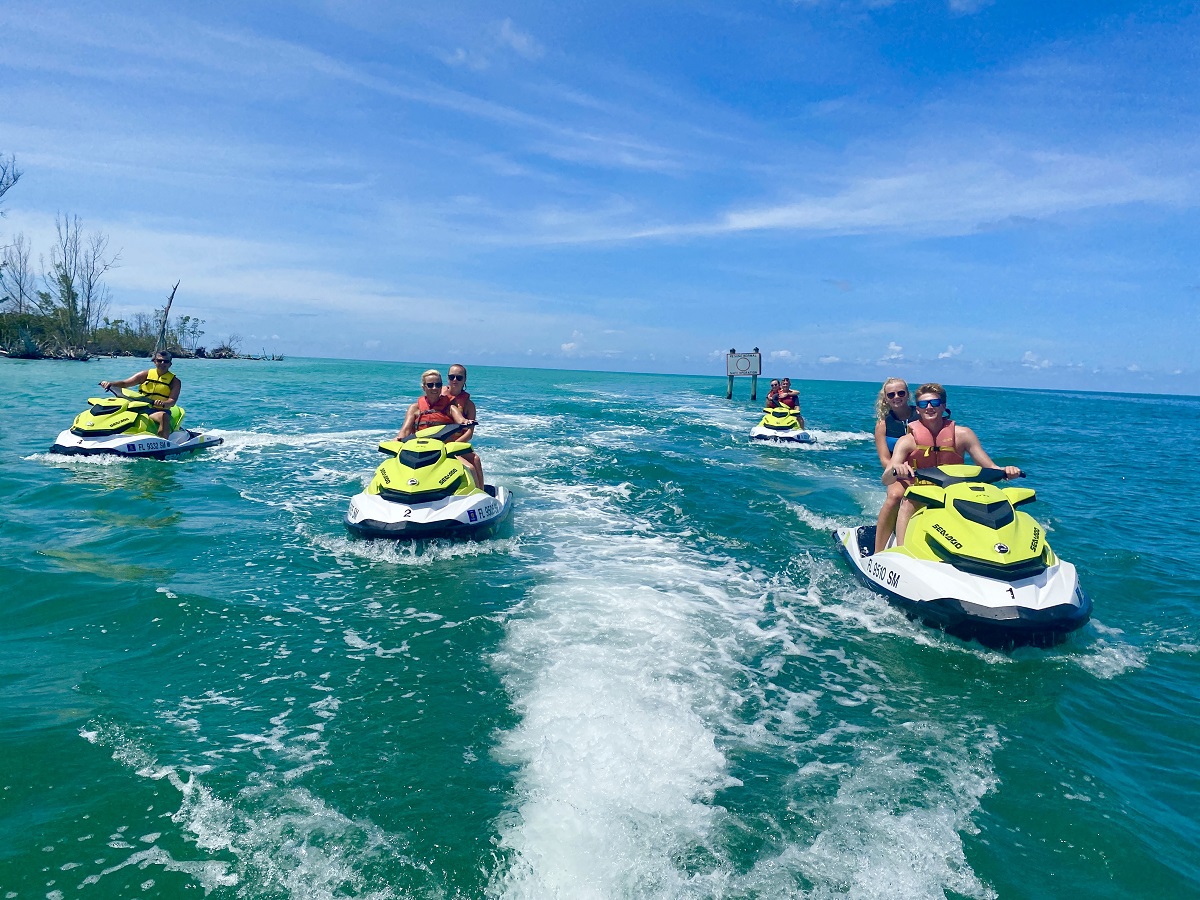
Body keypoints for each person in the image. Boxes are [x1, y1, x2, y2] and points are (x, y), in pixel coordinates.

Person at [881, 383, 1022, 549]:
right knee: (908, 501)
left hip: (956, 493)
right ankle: (902, 551)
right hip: (923, 494)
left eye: (934, 403)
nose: (929, 408)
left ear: (943, 406)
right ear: (917, 409)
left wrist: (1006, 471)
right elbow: (886, 478)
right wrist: (897, 470)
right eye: (923, 404)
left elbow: (990, 467)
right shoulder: (907, 441)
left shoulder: (963, 435)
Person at [395, 369, 481, 485]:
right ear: (423, 387)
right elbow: (404, 431)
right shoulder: (414, 408)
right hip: (418, 449)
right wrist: (396, 441)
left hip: (444, 449)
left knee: (470, 467)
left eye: (438, 385)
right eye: (430, 385)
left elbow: (461, 420)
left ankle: (479, 494)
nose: (434, 388)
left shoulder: (451, 408)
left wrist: (466, 422)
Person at [872, 377, 918, 553]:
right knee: (895, 497)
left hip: (925, 469)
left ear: (908, 395)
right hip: (897, 472)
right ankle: (877, 551)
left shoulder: (921, 416)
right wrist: (898, 468)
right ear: (885, 398)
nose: (896, 397)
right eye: (891, 394)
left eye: (901, 393)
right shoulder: (883, 425)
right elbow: (884, 458)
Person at [99, 350, 180, 439]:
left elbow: (172, 401)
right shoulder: (145, 374)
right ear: (154, 362)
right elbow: (125, 383)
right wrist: (111, 384)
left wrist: (163, 403)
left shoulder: (175, 381)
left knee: (163, 417)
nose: (162, 363)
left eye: (166, 361)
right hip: (140, 406)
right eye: (159, 360)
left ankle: (163, 442)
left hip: (157, 410)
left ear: (170, 364)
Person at [442, 363, 485, 488]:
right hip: (438, 444)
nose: (455, 380)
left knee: (475, 460)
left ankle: (481, 492)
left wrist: (452, 447)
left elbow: (469, 433)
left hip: (457, 444)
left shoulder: (469, 405)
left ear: (464, 380)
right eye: (452, 377)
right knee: (469, 467)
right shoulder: (439, 397)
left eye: (459, 377)